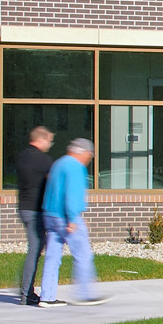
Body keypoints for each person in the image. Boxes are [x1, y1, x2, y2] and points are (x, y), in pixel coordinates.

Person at [42, 136, 103, 306]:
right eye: (89, 155)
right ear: (82, 153)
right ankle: (85, 294)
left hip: (50, 215)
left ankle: (47, 297)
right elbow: (72, 194)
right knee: (83, 254)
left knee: (52, 258)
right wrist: (74, 218)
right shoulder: (75, 167)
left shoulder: (58, 164)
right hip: (66, 217)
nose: (89, 159)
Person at [12, 124, 60, 306]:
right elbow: (54, 182)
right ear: (40, 139)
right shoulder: (43, 160)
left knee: (35, 249)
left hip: (23, 208)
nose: (50, 144)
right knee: (35, 250)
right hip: (35, 210)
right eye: (49, 140)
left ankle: (27, 289)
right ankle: (27, 293)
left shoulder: (22, 156)